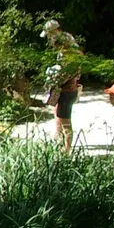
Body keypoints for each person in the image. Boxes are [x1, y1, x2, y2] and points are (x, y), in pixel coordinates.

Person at [42, 19, 83, 153]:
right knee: (56, 108)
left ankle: (67, 148)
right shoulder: (64, 45)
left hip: (66, 89)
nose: (49, 40)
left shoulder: (68, 47)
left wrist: (55, 79)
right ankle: (58, 136)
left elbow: (69, 72)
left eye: (49, 35)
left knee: (65, 119)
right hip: (62, 88)